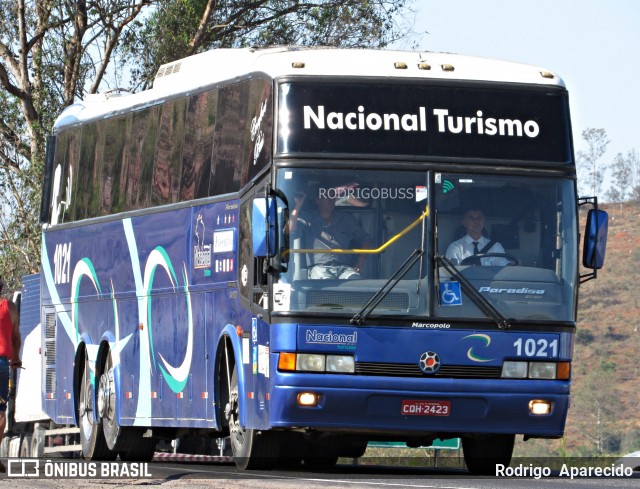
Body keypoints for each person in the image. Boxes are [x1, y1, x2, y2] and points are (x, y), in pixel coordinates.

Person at [285, 186, 372, 279]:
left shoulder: (346, 218)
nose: (331, 200)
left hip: (345, 268)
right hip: (319, 268)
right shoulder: (307, 218)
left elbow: (366, 239)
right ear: (317, 200)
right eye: (326, 196)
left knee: (355, 281)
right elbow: (289, 230)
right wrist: (298, 206)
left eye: (333, 196)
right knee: (325, 282)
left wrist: (360, 262)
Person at [0, 278, 21, 473]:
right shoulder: (11, 308)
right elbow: (16, 338)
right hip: (2, 364)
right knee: (0, 413)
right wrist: (15, 360)